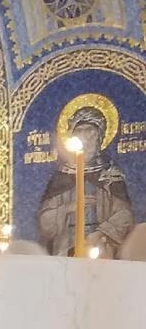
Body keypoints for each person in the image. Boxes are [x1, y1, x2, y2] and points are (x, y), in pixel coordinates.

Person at [37, 104, 134, 258]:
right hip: (65, 249)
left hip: (100, 249)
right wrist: (67, 208)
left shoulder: (110, 175)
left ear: (100, 137)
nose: (85, 138)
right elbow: (45, 223)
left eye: (90, 131)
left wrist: (101, 233)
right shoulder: (61, 177)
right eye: (79, 131)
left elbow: (125, 215)